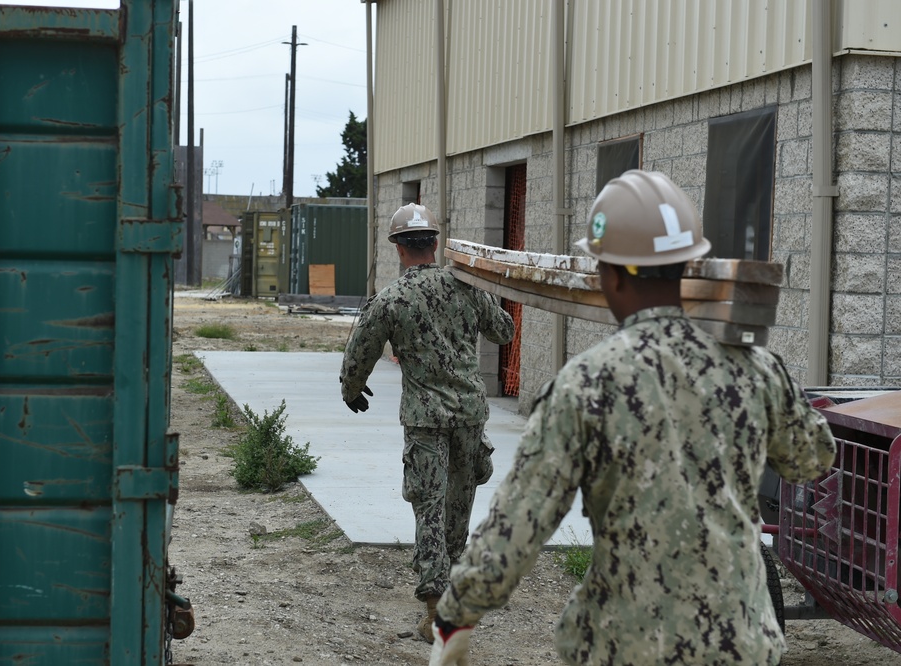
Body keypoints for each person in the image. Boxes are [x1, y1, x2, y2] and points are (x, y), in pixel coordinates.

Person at [428, 170, 837, 665]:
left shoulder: (587, 383)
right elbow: (812, 459)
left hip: (627, 645)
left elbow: (519, 523)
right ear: (689, 266)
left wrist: (457, 614)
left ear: (611, 275)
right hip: (742, 643)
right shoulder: (756, 368)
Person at [339, 202, 516, 642]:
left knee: (428, 508)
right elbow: (505, 331)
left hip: (425, 421)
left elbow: (359, 352)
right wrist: (485, 284)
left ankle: (436, 607)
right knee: (458, 506)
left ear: (399, 250)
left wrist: (352, 389)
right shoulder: (467, 287)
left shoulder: (391, 299)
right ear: (435, 244)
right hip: (469, 416)